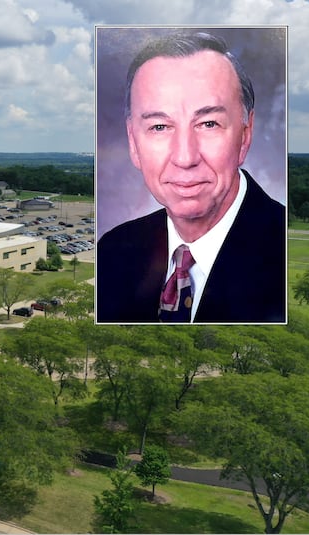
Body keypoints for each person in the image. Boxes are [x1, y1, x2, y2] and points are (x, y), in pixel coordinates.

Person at [96, 31, 286, 324]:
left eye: (208, 123)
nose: (185, 158)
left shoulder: (287, 258)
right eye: (159, 127)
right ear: (134, 143)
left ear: (245, 135)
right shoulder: (113, 251)